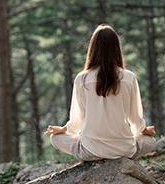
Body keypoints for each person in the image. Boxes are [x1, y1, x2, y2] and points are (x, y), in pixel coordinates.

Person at [44, 24, 156, 161]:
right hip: (124, 150)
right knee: (150, 141)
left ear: (93, 49)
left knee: (55, 138)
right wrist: (145, 131)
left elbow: (76, 121)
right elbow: (135, 120)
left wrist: (63, 129)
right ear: (117, 49)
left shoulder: (82, 79)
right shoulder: (129, 77)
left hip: (90, 151)